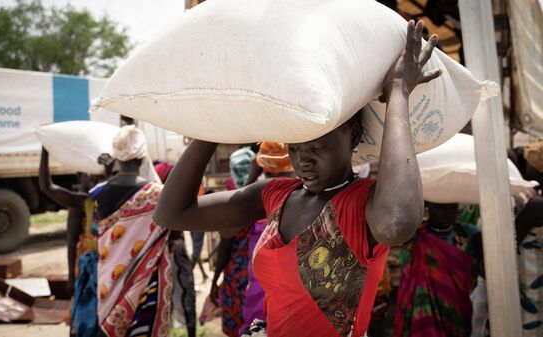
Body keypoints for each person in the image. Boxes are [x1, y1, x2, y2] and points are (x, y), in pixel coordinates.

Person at [154, 20, 440, 337]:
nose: (303, 159)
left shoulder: (363, 204)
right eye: (295, 147)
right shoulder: (275, 196)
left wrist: (398, 92)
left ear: (353, 134)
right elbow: (171, 213)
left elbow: (397, 223)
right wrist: (217, 119)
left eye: (317, 146)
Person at [93, 125, 173, 337]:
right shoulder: (157, 194)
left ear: (117, 155)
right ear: (142, 155)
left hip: (108, 282)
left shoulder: (98, 193)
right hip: (147, 282)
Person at [394, 202, 483, 337]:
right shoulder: (416, 237)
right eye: (441, 207)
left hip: (457, 313)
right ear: (430, 207)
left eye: (451, 207)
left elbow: (479, 270)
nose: (446, 212)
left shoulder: (468, 234)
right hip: (422, 312)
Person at [240, 142, 295, 335]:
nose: (273, 180)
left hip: (286, 305)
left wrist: (252, 178)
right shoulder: (263, 198)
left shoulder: (304, 200)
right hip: (261, 298)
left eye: (278, 174)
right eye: (269, 175)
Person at [39, 148, 100, 296]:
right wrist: (72, 278)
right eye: (88, 176)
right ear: (80, 178)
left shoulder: (106, 198)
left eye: (96, 176)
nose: (92, 180)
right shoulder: (83, 202)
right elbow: (72, 241)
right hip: (89, 268)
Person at [210, 147, 256, 337]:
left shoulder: (233, 200)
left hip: (238, 275)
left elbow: (226, 245)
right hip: (260, 272)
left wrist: (215, 280)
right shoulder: (264, 194)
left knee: (238, 325)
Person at [154, 161, 197, 337]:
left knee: (164, 297)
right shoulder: (171, 196)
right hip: (175, 251)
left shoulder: (156, 196)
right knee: (185, 295)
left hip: (161, 253)